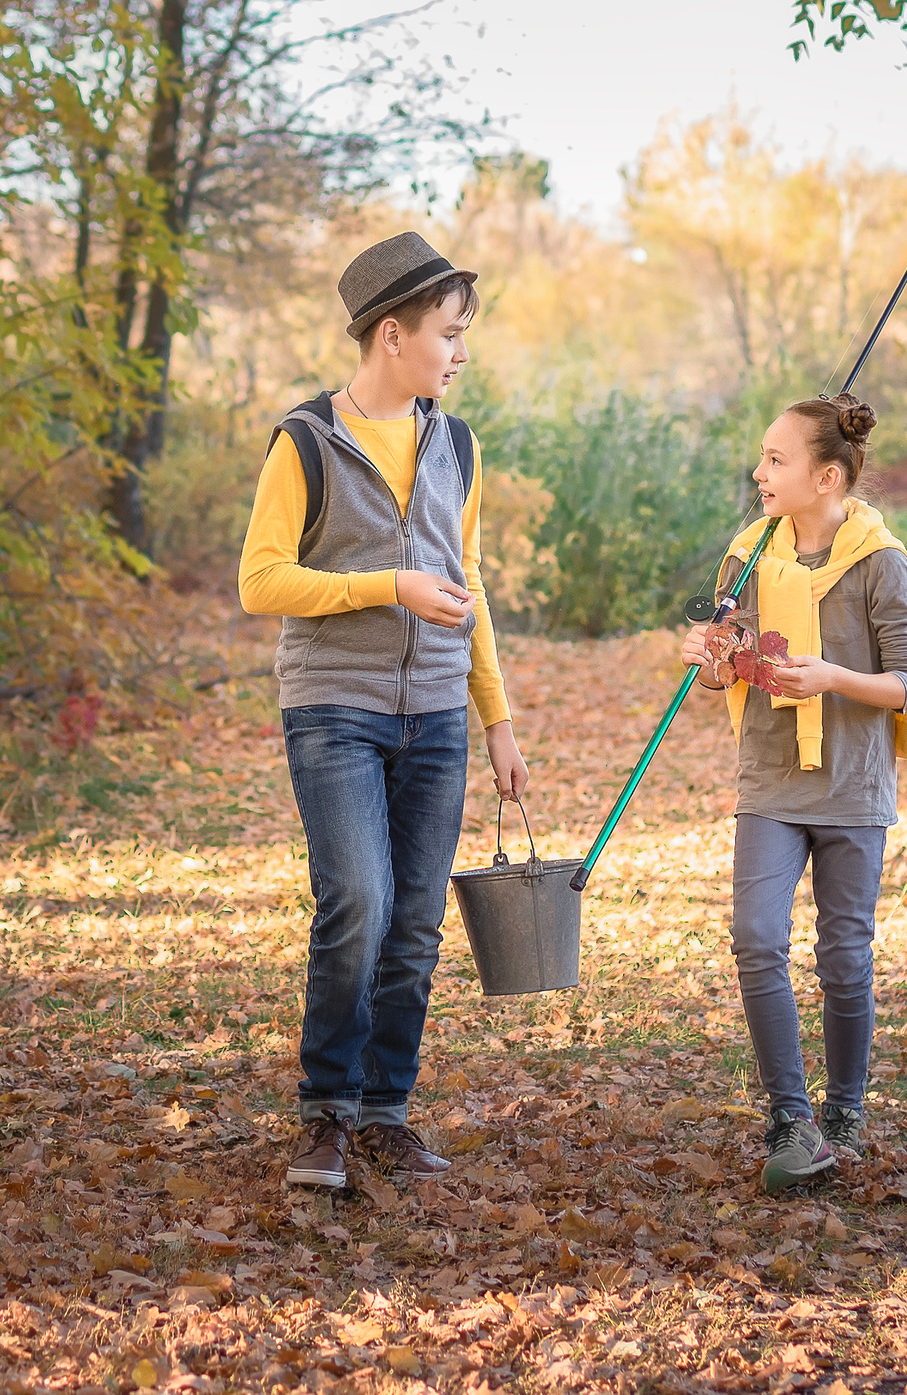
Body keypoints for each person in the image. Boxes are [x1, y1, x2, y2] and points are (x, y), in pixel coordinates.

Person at [238, 231, 530, 1192]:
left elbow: (468, 577)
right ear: (392, 333)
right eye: (448, 334)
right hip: (336, 708)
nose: (458, 353)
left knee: (412, 921)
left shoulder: (458, 443)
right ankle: (324, 1111)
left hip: (440, 711)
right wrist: (385, 586)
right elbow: (261, 580)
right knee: (357, 898)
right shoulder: (307, 440)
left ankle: (384, 1113)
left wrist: (496, 718)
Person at [678, 394, 907, 1194]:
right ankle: (792, 1116)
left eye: (777, 460)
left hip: (853, 786)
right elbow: (739, 661)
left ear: (826, 477)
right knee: (756, 936)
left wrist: (832, 678)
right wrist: (713, 660)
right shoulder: (746, 556)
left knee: (844, 957)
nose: (760, 471)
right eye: (762, 456)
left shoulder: (882, 563)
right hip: (771, 780)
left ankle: (845, 1110)